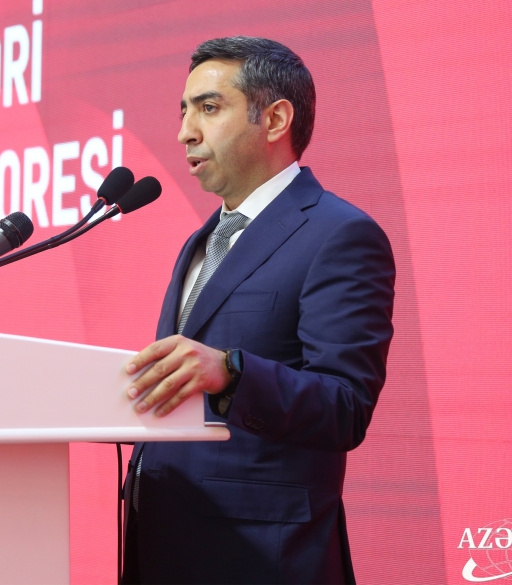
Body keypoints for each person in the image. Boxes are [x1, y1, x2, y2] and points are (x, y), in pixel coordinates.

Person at [120, 37, 395, 584]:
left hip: (259, 557)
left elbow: (344, 406)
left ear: (274, 120)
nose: (185, 132)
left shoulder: (339, 234)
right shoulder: (201, 241)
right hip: (162, 544)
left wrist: (232, 371)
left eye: (208, 107)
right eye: (183, 111)